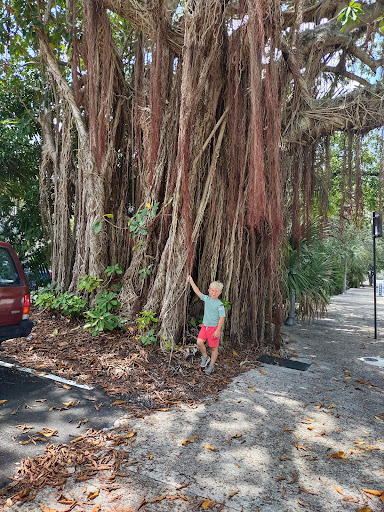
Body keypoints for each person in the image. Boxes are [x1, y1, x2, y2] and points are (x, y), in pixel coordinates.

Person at [187, 276, 225, 375]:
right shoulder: (207, 299)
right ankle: (205, 357)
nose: (214, 293)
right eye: (212, 290)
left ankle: (211, 366)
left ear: (220, 292)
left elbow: (222, 318)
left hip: (214, 328)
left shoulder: (220, 304)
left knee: (213, 348)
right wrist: (191, 281)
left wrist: (218, 330)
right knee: (199, 342)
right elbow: (197, 292)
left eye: (216, 291)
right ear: (209, 291)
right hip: (205, 326)